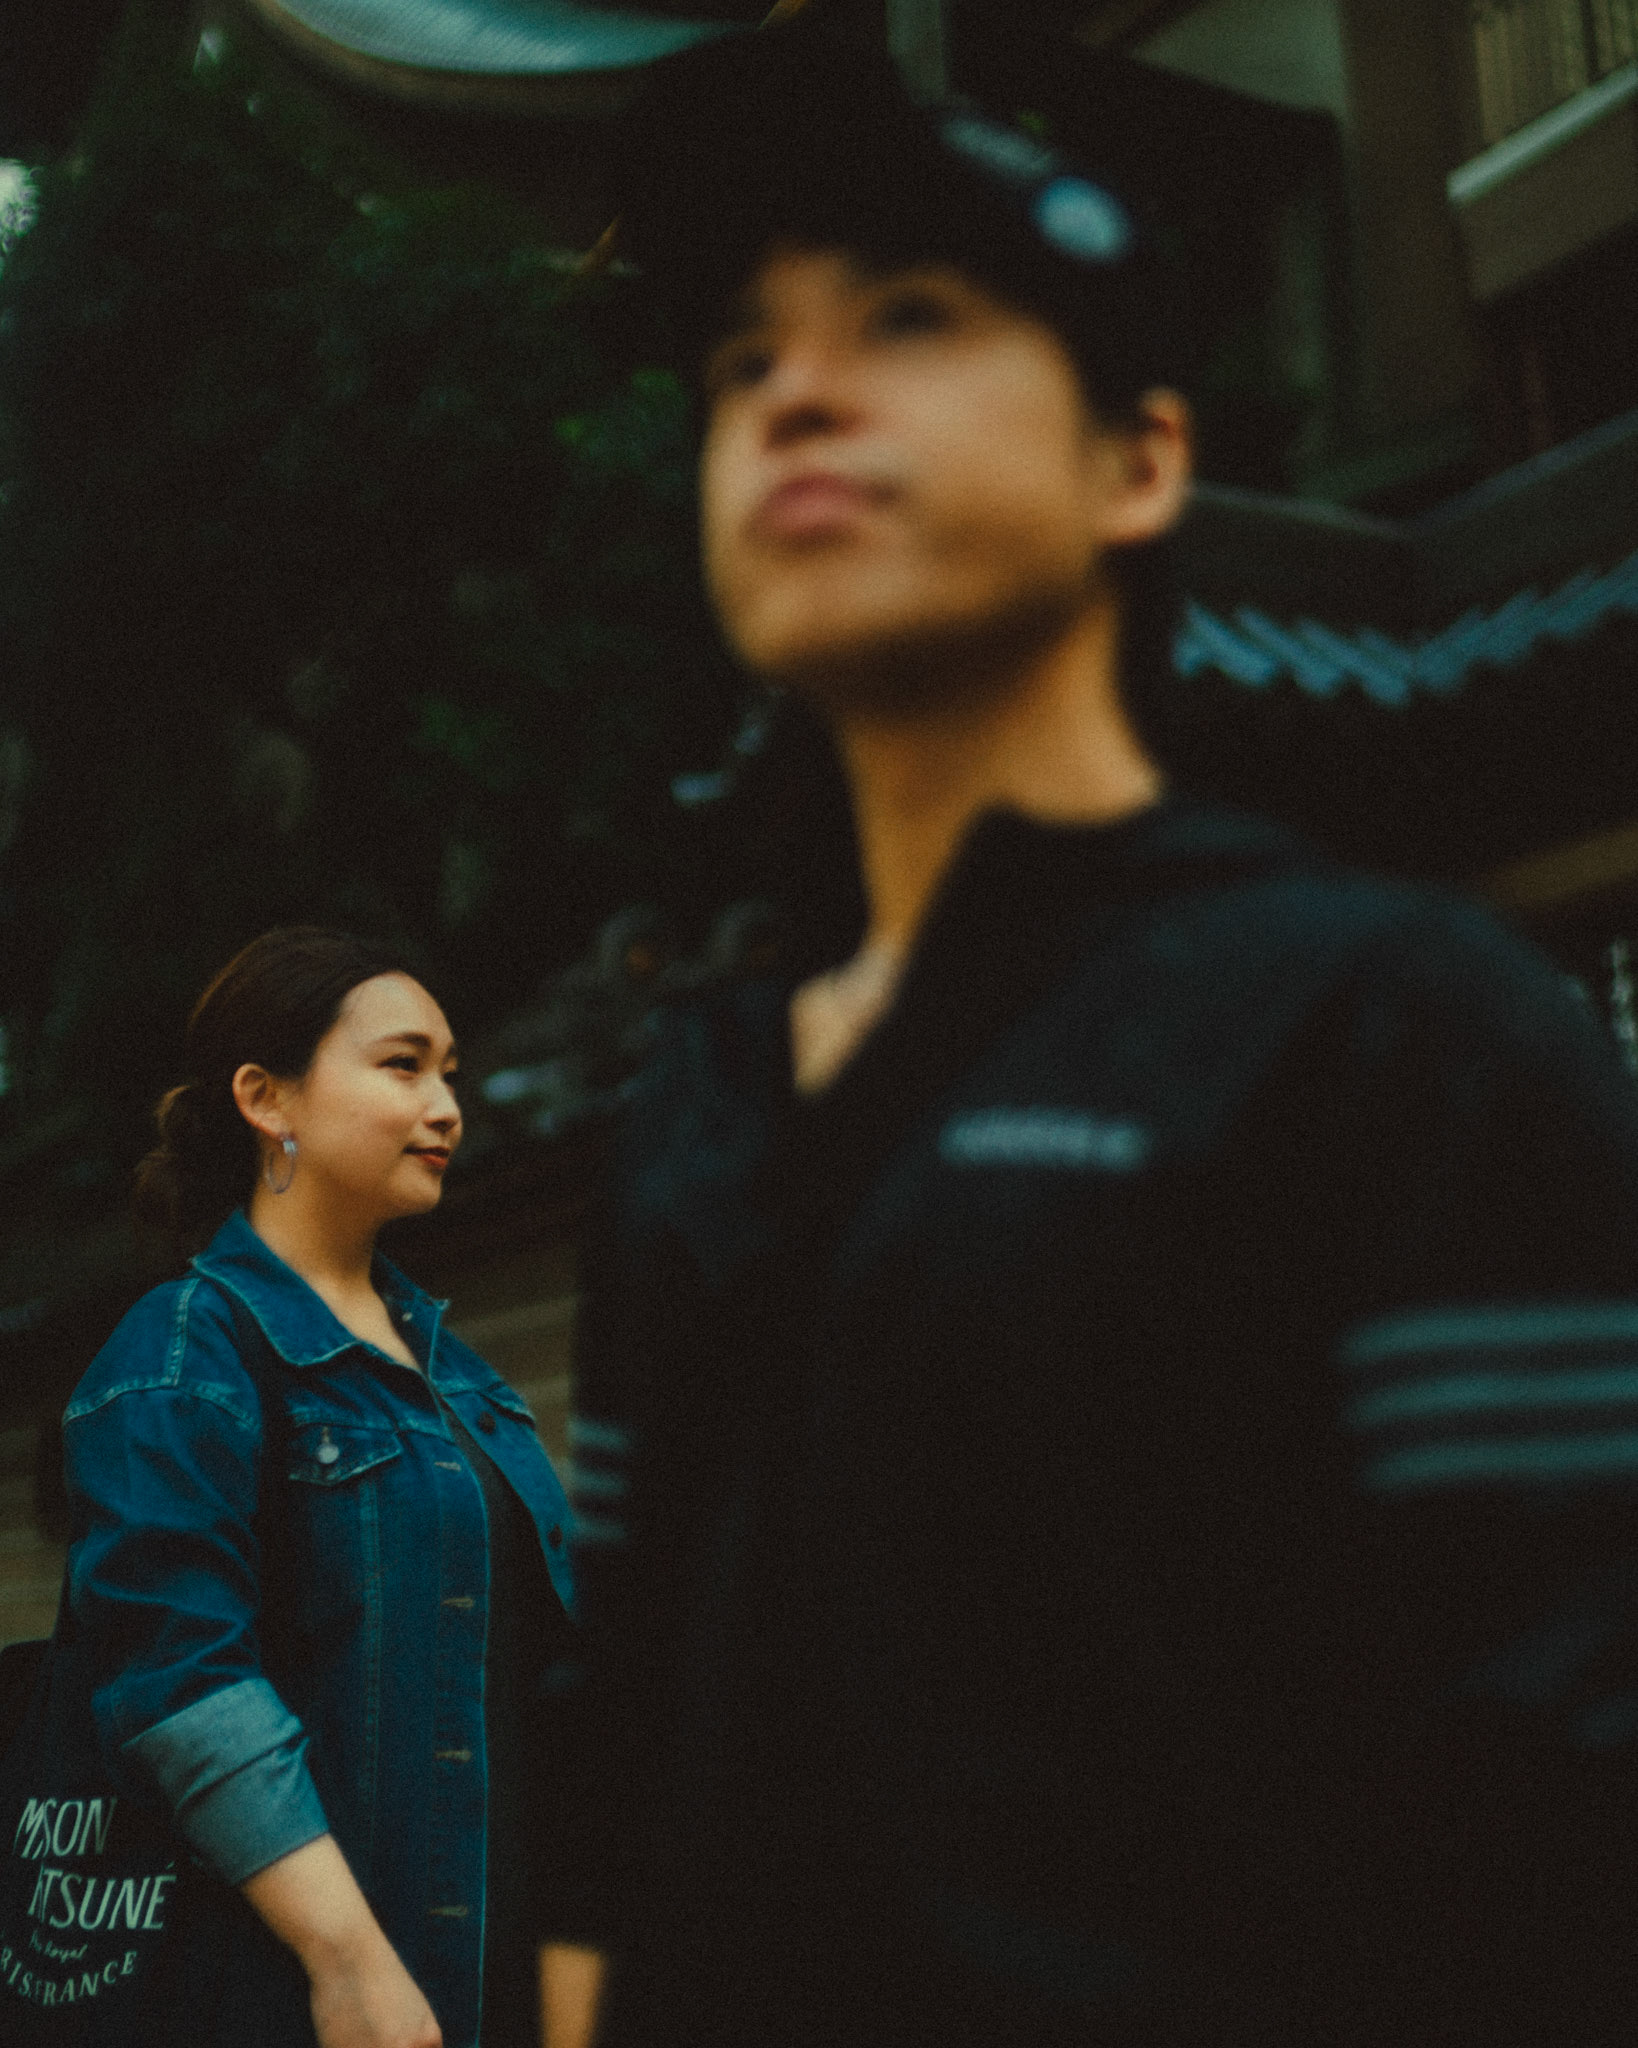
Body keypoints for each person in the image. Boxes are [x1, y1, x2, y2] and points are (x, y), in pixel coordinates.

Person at [540, 21, 1638, 2048]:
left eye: (907, 314)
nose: (795, 388)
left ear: (1139, 457)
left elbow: (1566, 1833)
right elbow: (620, 1774)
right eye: (738, 359)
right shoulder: (693, 1098)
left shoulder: (1390, 1033)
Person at [59, 926, 576, 2048]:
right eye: (403, 1064)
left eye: (451, 1071)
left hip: (487, 1975)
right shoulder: (185, 1351)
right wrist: (348, 1961)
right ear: (266, 1096)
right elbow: (181, 1684)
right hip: (301, 1994)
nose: (446, 1104)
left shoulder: (456, 1369)